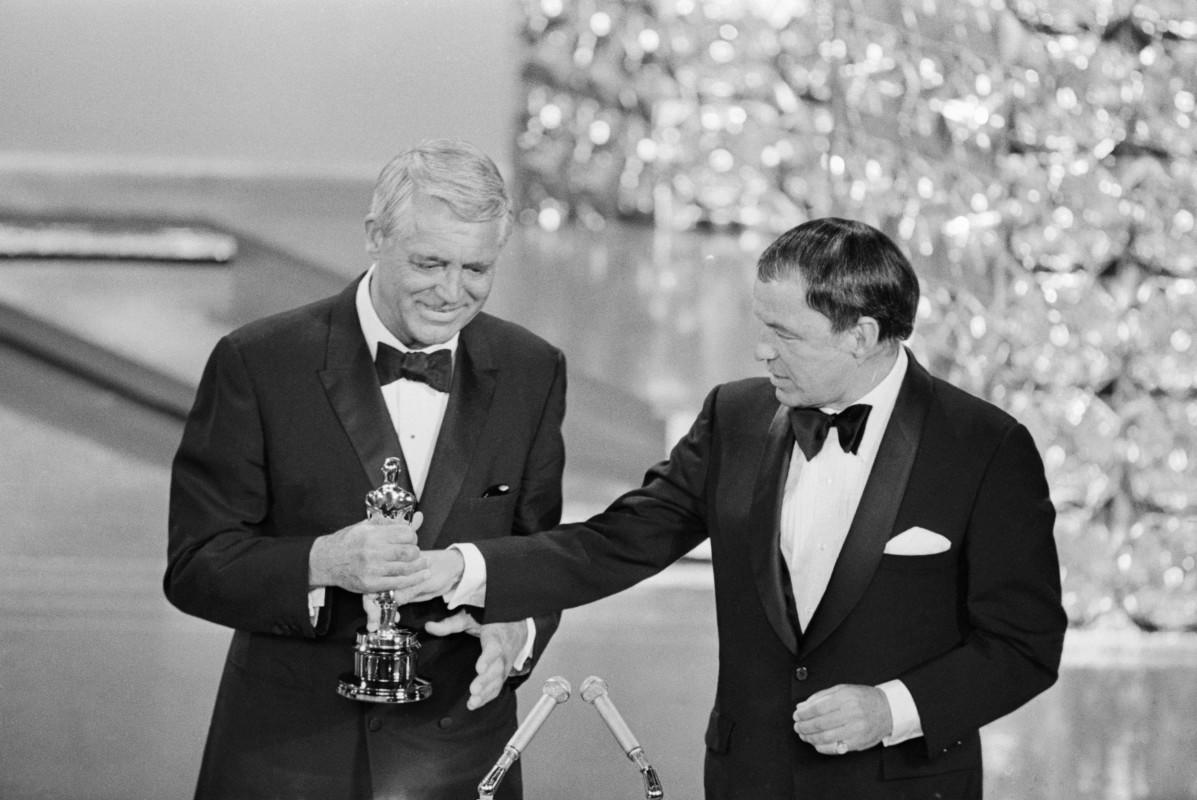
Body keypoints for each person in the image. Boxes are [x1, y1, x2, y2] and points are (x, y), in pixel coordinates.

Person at [406, 217, 1067, 799]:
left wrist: (889, 709)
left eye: (786, 334)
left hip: (902, 785)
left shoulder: (983, 448)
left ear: (861, 335)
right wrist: (464, 569)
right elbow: (619, 541)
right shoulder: (736, 416)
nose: (762, 351)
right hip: (747, 778)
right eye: (761, 326)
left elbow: (1023, 646)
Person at [165, 138, 567, 800]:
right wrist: (323, 562)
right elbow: (196, 566)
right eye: (429, 262)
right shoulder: (259, 363)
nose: (451, 292)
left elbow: (539, 556)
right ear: (374, 236)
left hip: (459, 756)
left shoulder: (532, 369)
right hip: (286, 759)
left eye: (476, 269)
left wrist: (515, 627)